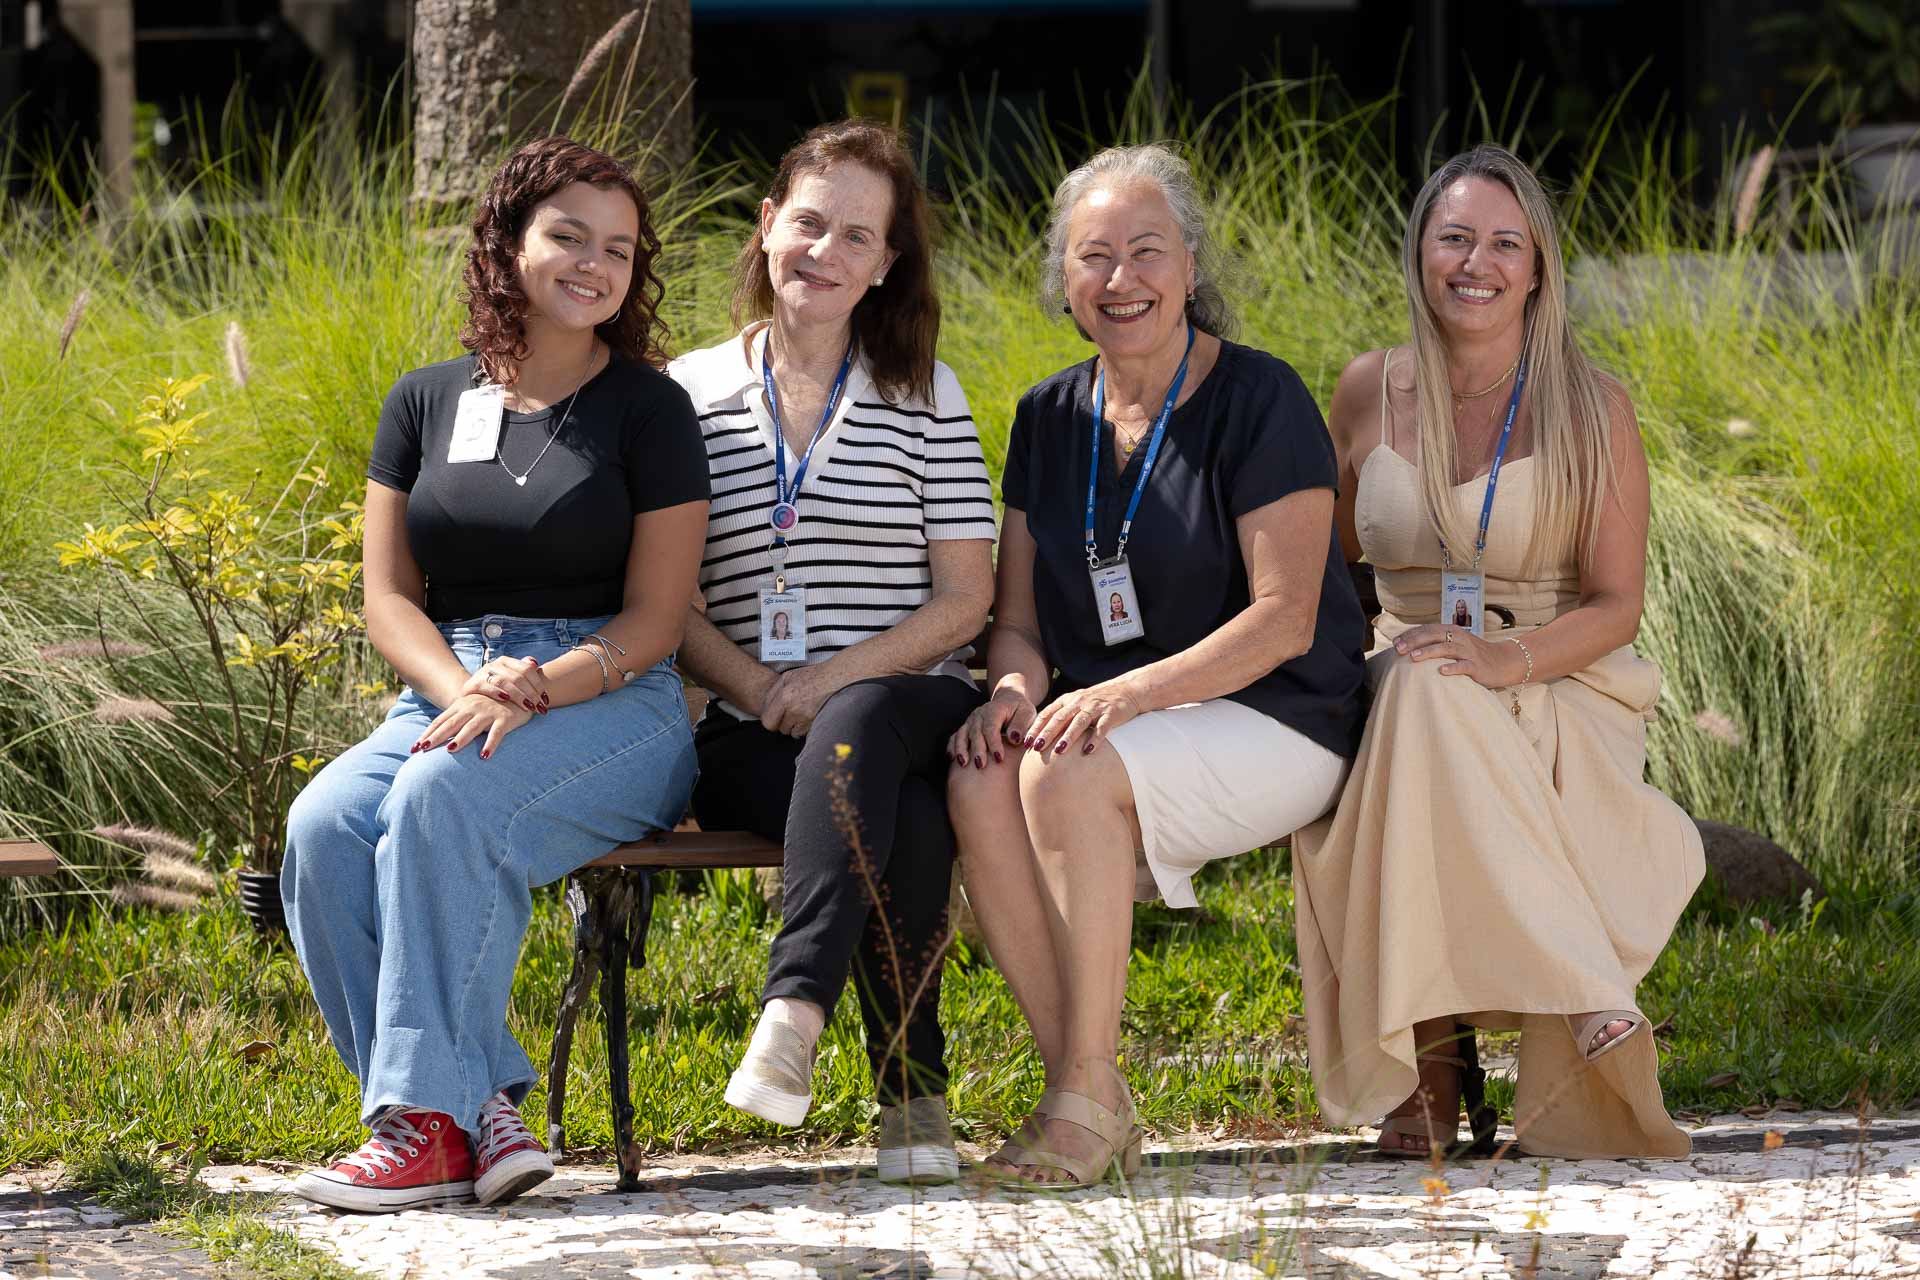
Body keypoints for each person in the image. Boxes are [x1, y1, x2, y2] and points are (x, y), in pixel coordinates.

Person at [280, 136, 709, 1212]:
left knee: (441, 791)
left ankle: (425, 1125)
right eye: (568, 235)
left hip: (608, 696)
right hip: (446, 683)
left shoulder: (651, 410)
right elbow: (389, 598)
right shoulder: (424, 400)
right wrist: (464, 687)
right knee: (323, 826)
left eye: (618, 247)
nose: (594, 264)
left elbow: (658, 618)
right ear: (507, 246)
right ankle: (474, 1108)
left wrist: (536, 685)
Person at [946, 143, 1368, 1187]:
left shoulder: (1261, 398)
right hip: (1111, 725)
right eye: (1094, 256)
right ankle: (1086, 1094)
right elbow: (1018, 623)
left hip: (1279, 715)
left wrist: (1123, 694)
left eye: (1146, 251)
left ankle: (1082, 1102)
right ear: (1065, 282)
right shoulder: (1048, 416)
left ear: (1189, 264)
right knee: (984, 770)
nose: (1121, 279)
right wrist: (1008, 692)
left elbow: (1284, 617)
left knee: (1068, 764)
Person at [1296, 143, 1704, 1159]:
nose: (1475, 262)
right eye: (1455, 237)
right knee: (1416, 692)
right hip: (1398, 672)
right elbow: (1330, 569)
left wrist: (1507, 664)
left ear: (1536, 269)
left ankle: (1434, 1074)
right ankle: (1583, 992)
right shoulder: (1364, 389)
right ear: (1421, 252)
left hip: (1557, 676)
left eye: (1503, 243)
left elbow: (1618, 604)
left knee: (1433, 694)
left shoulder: (1593, 405)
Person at [667, 120, 996, 1185]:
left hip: (912, 705)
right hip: (753, 728)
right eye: (808, 221)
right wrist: (765, 686)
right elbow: (662, 599)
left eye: (858, 235)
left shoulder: (925, 394)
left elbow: (965, 600)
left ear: (887, 264)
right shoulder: (685, 393)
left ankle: (793, 1007)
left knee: (860, 727)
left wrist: (829, 680)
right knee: (881, 805)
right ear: (768, 227)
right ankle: (914, 1100)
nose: (825, 250)